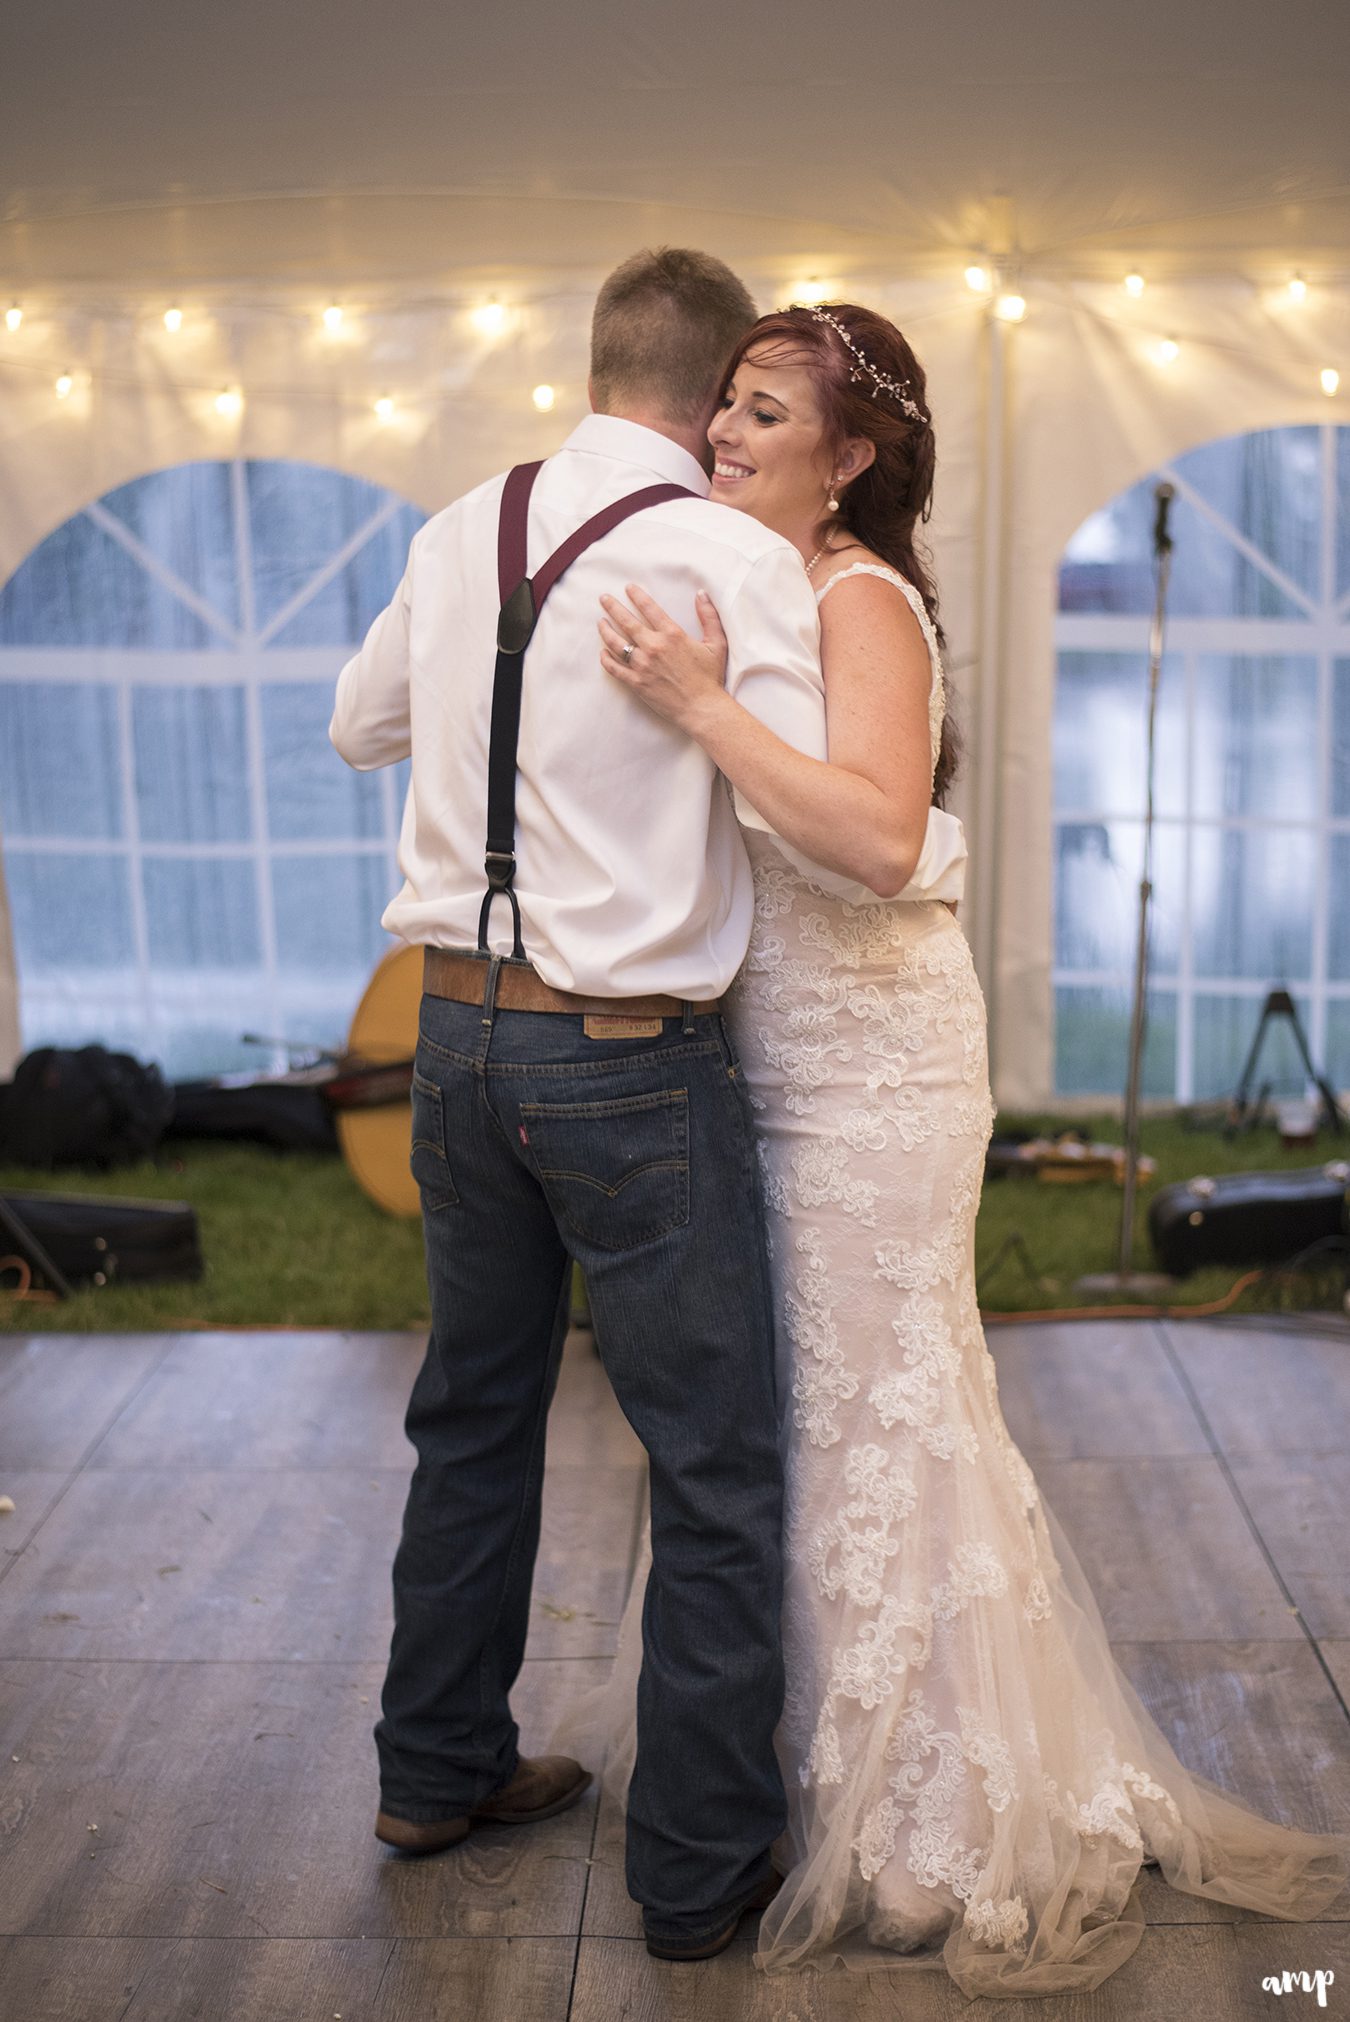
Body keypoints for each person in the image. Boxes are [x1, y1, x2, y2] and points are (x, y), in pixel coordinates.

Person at [571, 301, 1350, 1995]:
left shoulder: (862, 598)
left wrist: (701, 705)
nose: (722, 430)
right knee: (802, 1419)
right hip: (763, 1058)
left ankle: (938, 1813)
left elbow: (865, 833)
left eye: (763, 412)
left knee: (884, 1410)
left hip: (874, 1072)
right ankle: (814, 1761)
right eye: (723, 403)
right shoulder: (749, 577)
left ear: (848, 457)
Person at [328, 252, 967, 1965]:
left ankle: (431, 1766)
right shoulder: (724, 553)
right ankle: (693, 1871)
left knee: (470, 1416)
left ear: (596, 355)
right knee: (711, 1464)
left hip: (448, 1046)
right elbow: (820, 812)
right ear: (703, 402)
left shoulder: (459, 522)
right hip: (622, 1058)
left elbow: (355, 727)